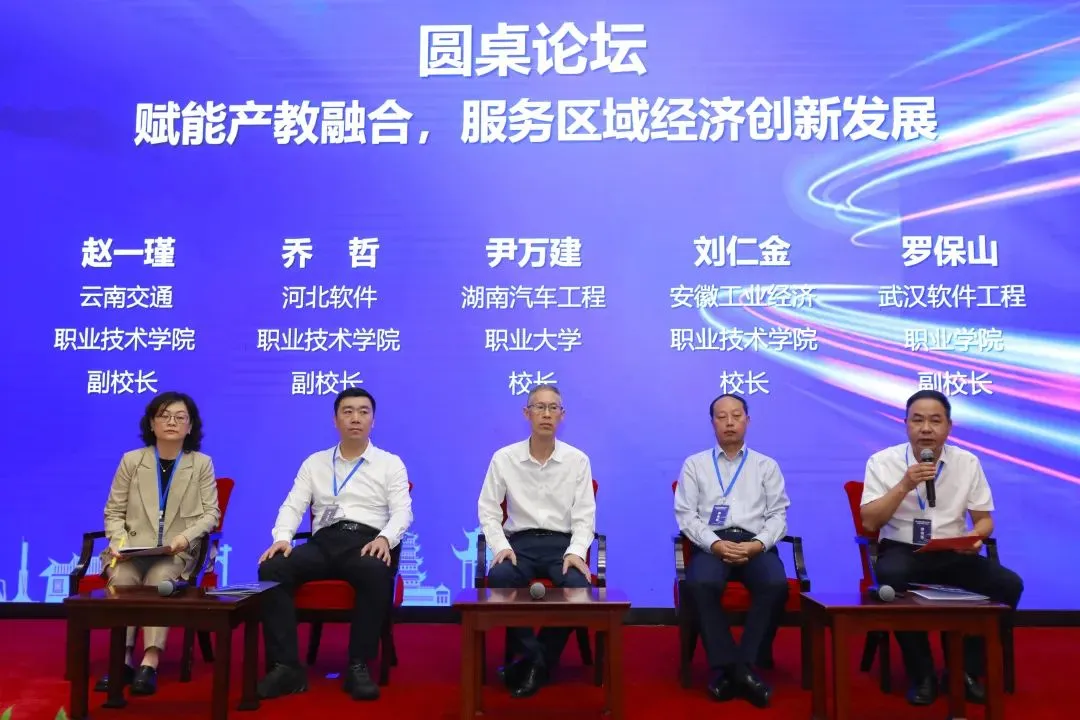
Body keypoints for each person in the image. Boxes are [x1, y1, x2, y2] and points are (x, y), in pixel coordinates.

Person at [860, 389, 1024, 706]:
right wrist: (905, 485)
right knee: (890, 576)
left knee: (1009, 584)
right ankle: (922, 674)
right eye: (917, 420)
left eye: (935, 421)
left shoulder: (967, 462)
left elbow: (984, 520)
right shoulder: (882, 462)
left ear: (949, 426)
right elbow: (870, 522)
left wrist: (975, 537)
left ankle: (965, 671)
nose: (926, 428)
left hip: (952, 551)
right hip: (903, 549)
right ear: (905, 424)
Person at [256, 388, 412, 702]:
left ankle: (358, 665)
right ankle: (286, 667)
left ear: (373, 420)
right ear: (335, 419)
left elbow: (402, 512)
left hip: (366, 542)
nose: (355, 418)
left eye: (363, 412)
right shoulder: (315, 463)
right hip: (324, 542)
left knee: (374, 570)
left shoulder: (390, 463)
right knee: (272, 568)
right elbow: (293, 505)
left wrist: (385, 538)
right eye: (348, 411)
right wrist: (282, 538)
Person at [97, 391, 221, 696]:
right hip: (131, 550)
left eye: (180, 417)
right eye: (164, 416)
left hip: (176, 552)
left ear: (190, 427)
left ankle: (149, 661)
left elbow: (211, 514)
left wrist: (185, 537)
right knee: (122, 578)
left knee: (159, 579)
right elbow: (114, 511)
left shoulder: (201, 464)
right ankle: (123, 660)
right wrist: (119, 543)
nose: (171, 422)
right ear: (151, 423)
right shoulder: (131, 461)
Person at [478, 384, 596, 698]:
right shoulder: (504, 458)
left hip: (562, 547)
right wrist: (501, 546)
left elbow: (585, 515)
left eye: (553, 407)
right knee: (500, 577)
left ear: (562, 415)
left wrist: (576, 551)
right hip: (520, 545)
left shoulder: (577, 460)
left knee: (579, 588)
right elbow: (488, 508)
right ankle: (537, 661)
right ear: (526, 413)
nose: (546, 414)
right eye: (539, 407)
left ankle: (530, 664)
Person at [673, 393, 790, 709]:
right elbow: (686, 515)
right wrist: (713, 543)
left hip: (755, 543)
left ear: (747, 421)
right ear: (712, 422)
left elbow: (778, 516)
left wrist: (758, 544)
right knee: (701, 583)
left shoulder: (766, 465)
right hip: (712, 543)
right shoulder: (695, 464)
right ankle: (737, 670)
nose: (729, 422)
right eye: (721, 416)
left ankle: (739, 667)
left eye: (736, 416)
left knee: (775, 583)